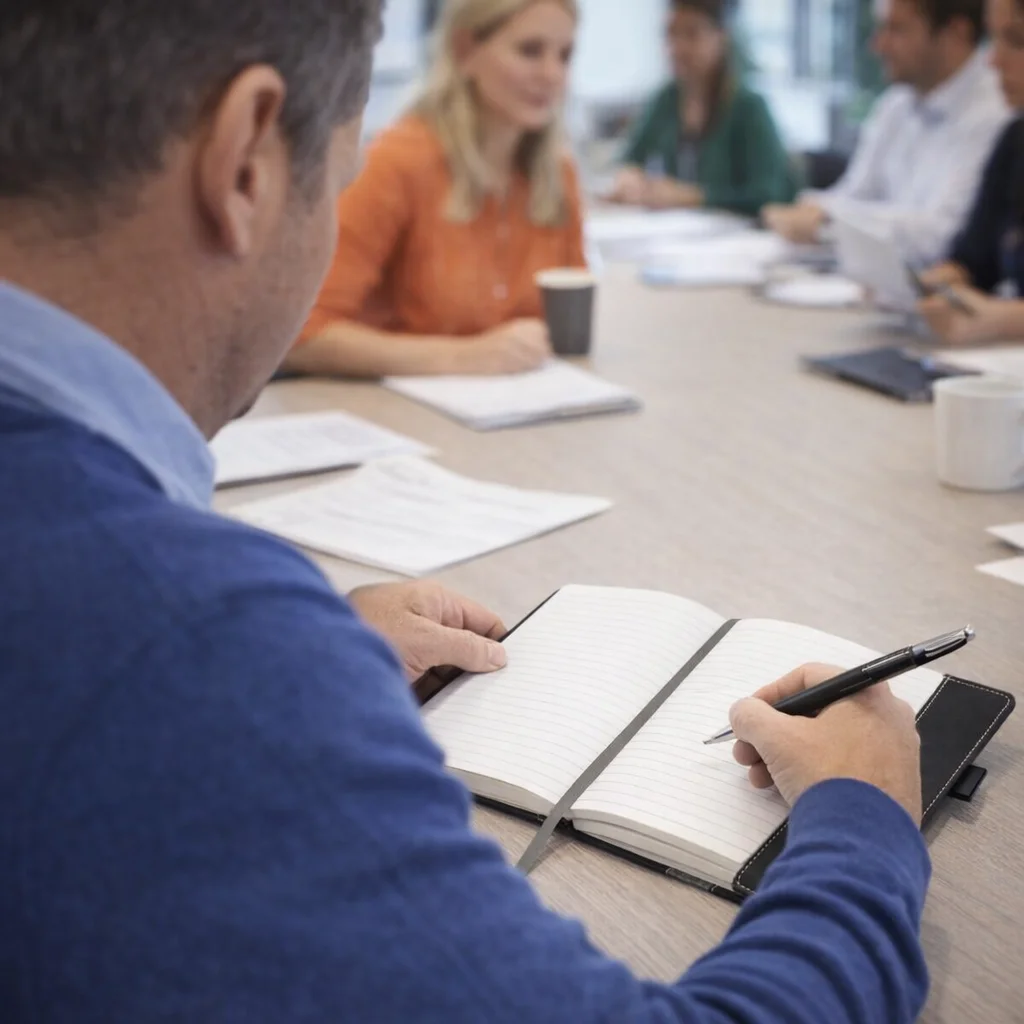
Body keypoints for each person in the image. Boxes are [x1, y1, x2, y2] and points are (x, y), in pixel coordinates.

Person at [0, 2, 932, 1022]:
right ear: (246, 160)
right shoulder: (179, 639)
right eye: (335, 178)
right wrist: (864, 819)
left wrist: (299, 642)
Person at [282, 0, 586, 380]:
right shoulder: (398, 162)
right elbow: (300, 334)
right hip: (391, 412)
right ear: (465, 51)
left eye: (565, 56)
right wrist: (463, 358)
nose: (552, 73)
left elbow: (565, 319)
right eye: (530, 51)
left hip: (513, 413)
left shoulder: (557, 174)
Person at [764, 0, 1009, 268]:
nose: (878, 45)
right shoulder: (895, 104)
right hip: (885, 289)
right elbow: (855, 195)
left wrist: (829, 218)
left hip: (941, 294)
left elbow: (944, 236)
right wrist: (813, 209)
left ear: (956, 33)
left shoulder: (998, 114)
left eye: (897, 29)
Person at [607, 0, 798, 216]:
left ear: (721, 36)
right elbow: (630, 158)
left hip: (744, 240)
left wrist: (692, 196)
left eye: (692, 33)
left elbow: (768, 195)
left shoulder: (748, 107)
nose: (677, 47)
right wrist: (628, 176)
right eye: (671, 34)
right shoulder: (667, 99)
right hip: (681, 237)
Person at [918, 0, 1024, 343]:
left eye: (1017, 40)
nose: (993, 60)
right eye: (994, 40)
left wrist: (1002, 319)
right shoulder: (1015, 139)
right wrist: (943, 282)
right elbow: (973, 259)